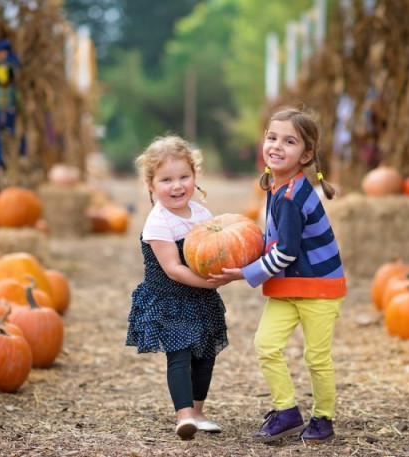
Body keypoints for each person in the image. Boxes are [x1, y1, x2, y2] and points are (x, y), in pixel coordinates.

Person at [210, 107, 346, 445]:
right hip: (290, 285)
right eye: (272, 138)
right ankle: (286, 411)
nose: (276, 146)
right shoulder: (277, 188)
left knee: (316, 357)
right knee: (266, 345)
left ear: (307, 154)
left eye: (289, 141)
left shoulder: (290, 197)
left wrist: (245, 272)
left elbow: (285, 252)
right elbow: (276, 242)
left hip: (319, 287)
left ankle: (323, 417)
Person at [126, 135, 230, 441]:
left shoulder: (202, 215)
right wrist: (211, 281)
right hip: (170, 298)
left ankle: (198, 412)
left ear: (195, 178)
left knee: (206, 354)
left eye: (184, 177)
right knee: (180, 355)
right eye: (166, 179)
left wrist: (226, 269)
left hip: (201, 298)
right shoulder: (158, 222)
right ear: (151, 185)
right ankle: (184, 416)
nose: (177, 186)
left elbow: (212, 251)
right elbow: (173, 269)